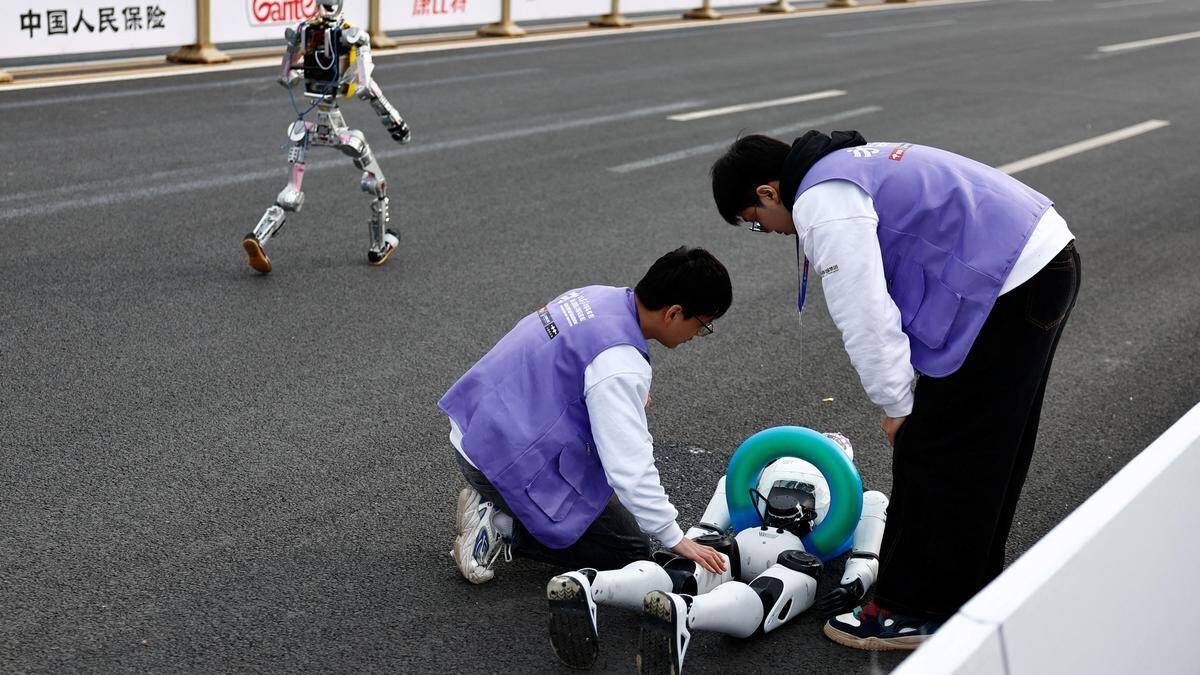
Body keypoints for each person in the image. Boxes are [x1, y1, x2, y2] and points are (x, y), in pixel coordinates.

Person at [709, 131, 1081, 650]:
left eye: (754, 221)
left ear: (768, 192)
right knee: (990, 447)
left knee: (935, 449)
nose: (766, 231)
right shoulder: (843, 165)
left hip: (1010, 281)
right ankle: (965, 592)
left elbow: (864, 313)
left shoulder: (822, 198)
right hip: (1038, 262)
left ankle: (913, 611)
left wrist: (897, 404)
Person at [439, 247, 733, 585]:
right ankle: (503, 526)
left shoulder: (597, 297)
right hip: (495, 461)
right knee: (627, 551)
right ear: (674, 313)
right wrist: (673, 536)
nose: (697, 336)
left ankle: (502, 508)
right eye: (702, 326)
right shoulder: (619, 364)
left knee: (597, 498)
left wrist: (617, 394)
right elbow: (629, 466)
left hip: (474, 426)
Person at [545, 432, 890, 673]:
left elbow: (705, 530)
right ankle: (687, 613)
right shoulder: (865, 498)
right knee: (766, 595)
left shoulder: (744, 478)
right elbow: (866, 557)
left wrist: (691, 548)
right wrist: (853, 585)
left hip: (739, 543)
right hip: (796, 557)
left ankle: (591, 582)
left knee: (680, 573)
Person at [242, 0, 412, 274]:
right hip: (336, 127)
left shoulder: (304, 30)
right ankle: (379, 246)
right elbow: (368, 88)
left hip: (306, 126)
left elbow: (287, 77)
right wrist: (396, 123)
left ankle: (258, 237)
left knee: (292, 190)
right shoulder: (351, 34)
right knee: (376, 182)